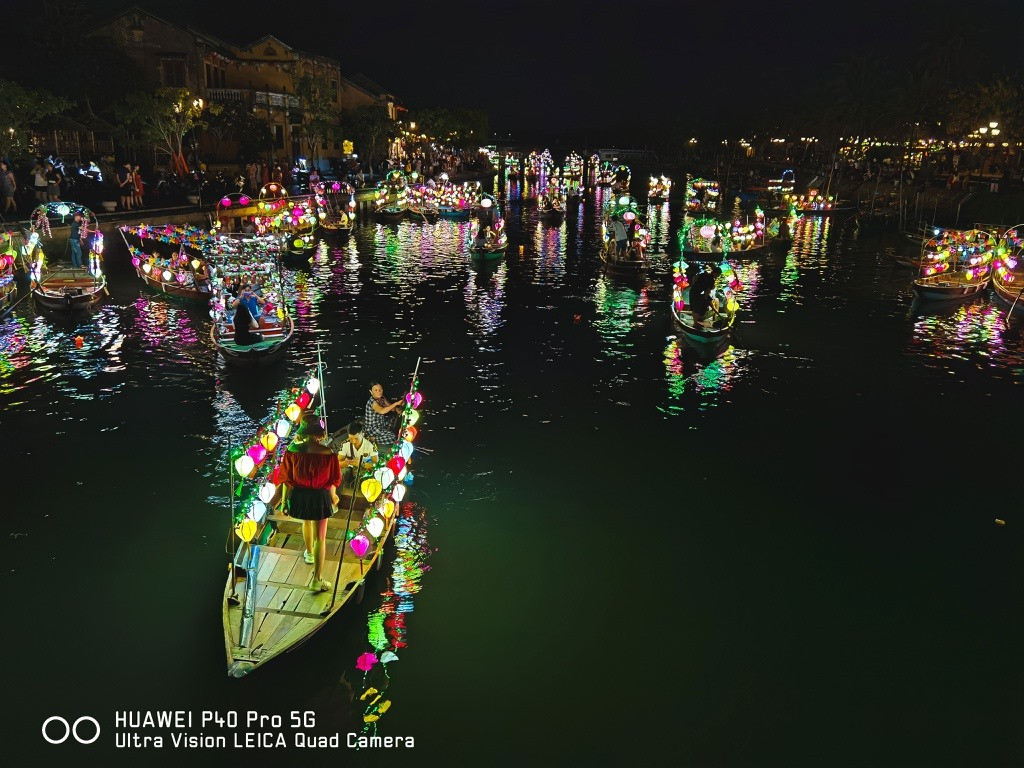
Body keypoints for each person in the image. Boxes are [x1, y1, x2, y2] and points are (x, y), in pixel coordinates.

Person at [276, 414, 340, 589]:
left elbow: (286, 479)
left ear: (302, 432)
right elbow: (334, 480)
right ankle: (317, 580)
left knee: (306, 522)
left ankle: (309, 553)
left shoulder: (292, 452)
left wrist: (283, 503)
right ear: (318, 434)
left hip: (299, 495)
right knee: (321, 537)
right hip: (320, 496)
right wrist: (334, 496)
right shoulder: (328, 454)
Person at [336, 420, 379, 490]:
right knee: (343, 473)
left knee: (362, 478)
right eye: (351, 438)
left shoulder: (370, 444)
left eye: (356, 438)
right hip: (350, 466)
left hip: (364, 467)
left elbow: (376, 463)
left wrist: (362, 464)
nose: (353, 442)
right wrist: (344, 463)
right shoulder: (345, 444)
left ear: (363, 434)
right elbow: (337, 462)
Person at [364, 381, 403, 446]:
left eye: (380, 389)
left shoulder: (382, 398)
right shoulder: (372, 402)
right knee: (393, 437)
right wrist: (396, 403)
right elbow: (382, 411)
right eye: (376, 390)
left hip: (381, 423)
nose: (379, 392)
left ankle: (383, 433)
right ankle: (371, 439)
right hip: (372, 428)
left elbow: (392, 409)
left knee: (392, 419)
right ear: (371, 392)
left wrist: (396, 409)